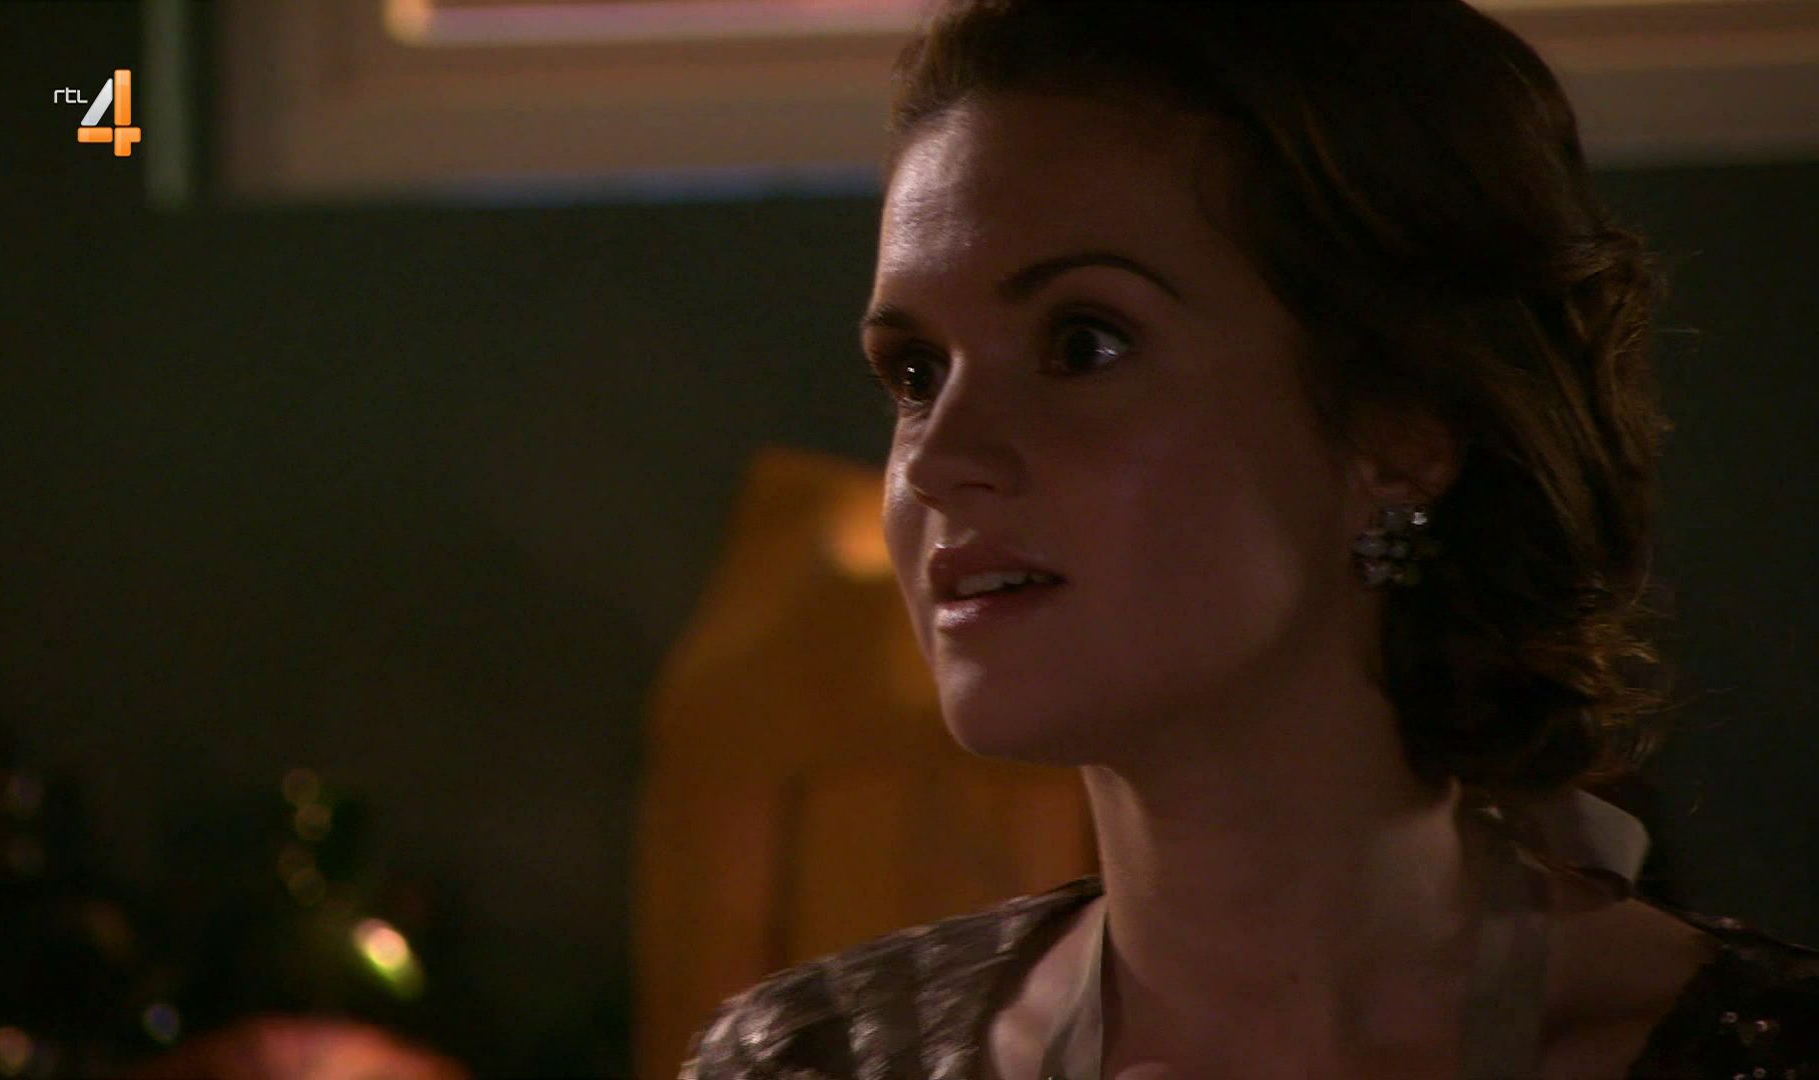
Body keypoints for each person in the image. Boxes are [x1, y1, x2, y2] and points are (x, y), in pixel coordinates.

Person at [680, 1, 1819, 1076]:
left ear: (1398, 428)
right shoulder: (811, 1062)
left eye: (1082, 345)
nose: (938, 458)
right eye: (917, 374)